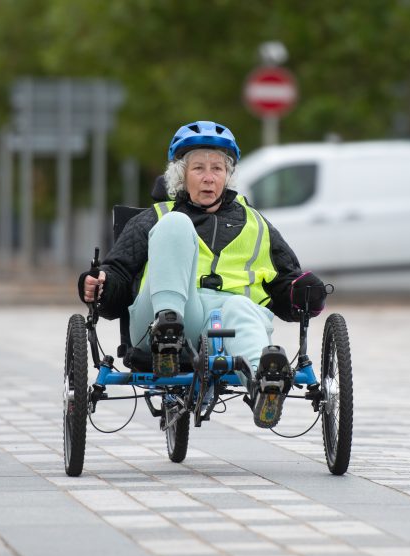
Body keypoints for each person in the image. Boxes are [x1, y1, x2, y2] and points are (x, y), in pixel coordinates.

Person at [78, 120, 325, 428]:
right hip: (167, 318)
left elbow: (285, 283)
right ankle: (167, 333)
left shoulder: (257, 224)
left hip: (227, 325)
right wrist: (101, 285)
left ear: (228, 175)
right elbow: (117, 274)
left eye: (217, 169)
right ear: (181, 175)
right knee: (176, 223)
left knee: (242, 308)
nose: (209, 178)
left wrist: (303, 293)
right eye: (198, 169)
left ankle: (265, 384)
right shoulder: (154, 218)